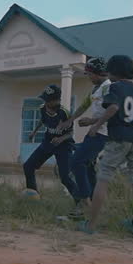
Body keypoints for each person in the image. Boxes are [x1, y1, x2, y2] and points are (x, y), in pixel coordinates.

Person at [78, 55, 133, 241]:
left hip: (118, 138)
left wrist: (96, 125)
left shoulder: (115, 87)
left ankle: (90, 225)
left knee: (104, 177)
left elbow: (113, 108)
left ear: (113, 72)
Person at [54, 57, 111, 219]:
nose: (89, 77)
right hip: (95, 132)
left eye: (90, 74)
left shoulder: (108, 88)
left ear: (97, 73)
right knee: (87, 166)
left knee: (76, 162)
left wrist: (91, 121)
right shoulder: (95, 89)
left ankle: (84, 202)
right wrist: (69, 121)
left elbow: (113, 111)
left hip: (103, 133)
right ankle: (93, 204)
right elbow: (84, 106)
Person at [23, 84, 78, 199]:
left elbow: (70, 133)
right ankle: (33, 195)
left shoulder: (65, 113)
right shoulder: (42, 108)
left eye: (49, 101)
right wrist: (34, 132)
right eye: (45, 100)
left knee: (65, 177)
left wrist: (60, 139)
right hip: (48, 143)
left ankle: (80, 201)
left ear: (56, 100)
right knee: (28, 166)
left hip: (64, 146)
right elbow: (42, 121)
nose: (46, 103)